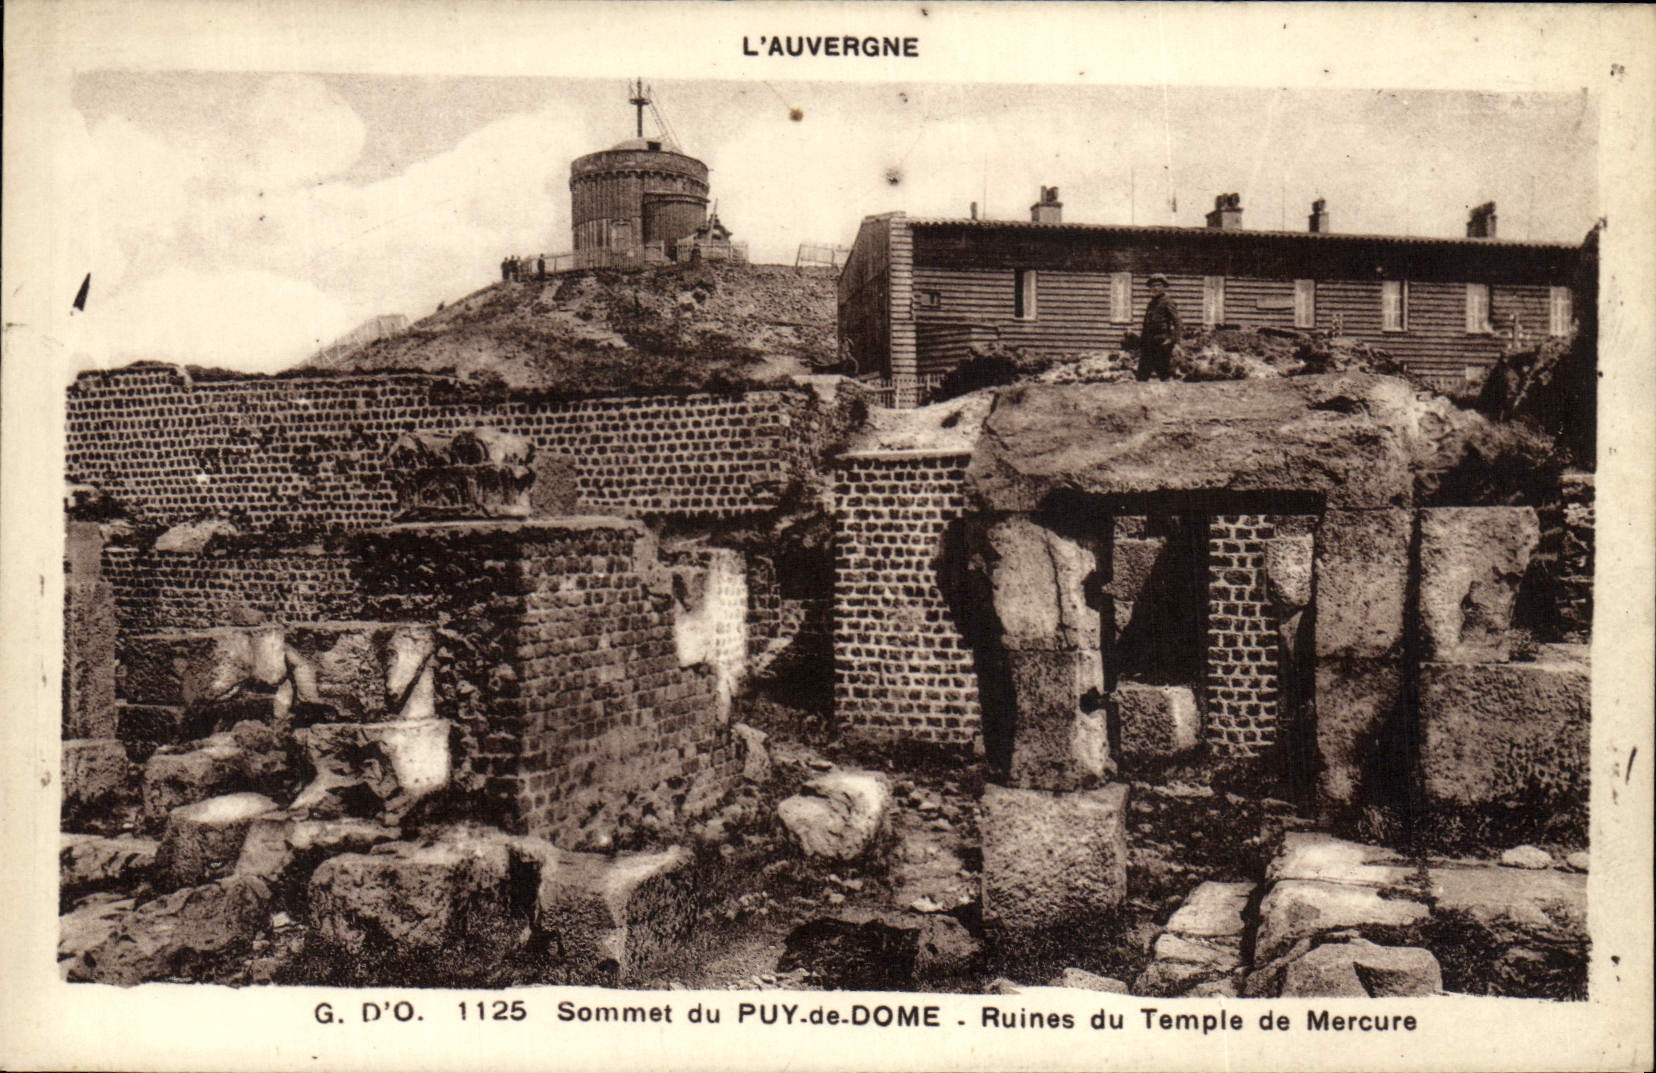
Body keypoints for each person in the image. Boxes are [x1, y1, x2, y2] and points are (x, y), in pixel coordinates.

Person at [1138, 273, 1182, 381]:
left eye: (1158, 285)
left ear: (1163, 287)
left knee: (1164, 374)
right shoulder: (1151, 304)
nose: (1155, 288)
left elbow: (1178, 323)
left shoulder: (1167, 302)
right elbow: (1146, 324)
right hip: (1149, 343)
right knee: (1142, 374)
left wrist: (1174, 341)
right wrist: (1142, 342)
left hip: (1162, 343)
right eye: (1152, 286)